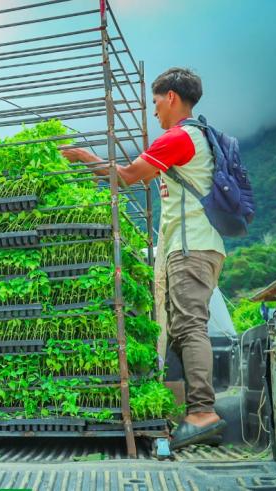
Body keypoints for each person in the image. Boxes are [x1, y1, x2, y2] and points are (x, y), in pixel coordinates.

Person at [60, 67, 226, 449]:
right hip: (195, 245)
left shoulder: (179, 137)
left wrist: (85, 157)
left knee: (189, 326)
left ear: (171, 97)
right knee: (182, 326)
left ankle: (203, 413)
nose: (153, 111)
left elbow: (127, 176)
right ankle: (194, 411)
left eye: (155, 102)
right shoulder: (197, 136)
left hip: (192, 246)